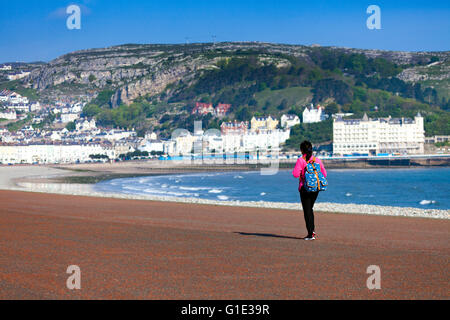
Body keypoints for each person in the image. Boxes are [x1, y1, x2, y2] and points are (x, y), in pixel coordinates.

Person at [292, 141, 327, 241]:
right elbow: (324, 174)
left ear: (301, 150)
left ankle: (310, 233)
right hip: (316, 188)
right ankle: (312, 230)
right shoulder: (317, 160)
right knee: (310, 209)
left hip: (305, 188)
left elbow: (295, 174)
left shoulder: (301, 160)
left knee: (307, 211)